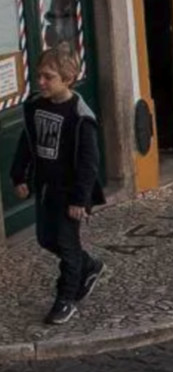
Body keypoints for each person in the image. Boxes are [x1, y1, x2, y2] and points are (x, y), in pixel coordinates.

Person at [9, 45, 107, 325]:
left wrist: (80, 200)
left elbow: (89, 163)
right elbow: (27, 144)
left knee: (66, 244)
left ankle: (66, 298)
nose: (41, 82)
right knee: (45, 239)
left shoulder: (80, 116)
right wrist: (20, 176)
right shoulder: (35, 106)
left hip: (69, 193)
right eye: (39, 75)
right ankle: (89, 265)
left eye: (48, 77)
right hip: (44, 188)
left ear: (68, 78)